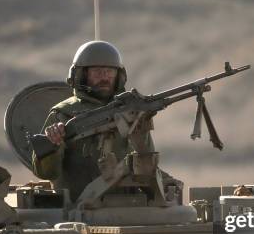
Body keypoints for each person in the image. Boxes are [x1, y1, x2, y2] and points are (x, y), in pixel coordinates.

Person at [32, 40, 179, 202]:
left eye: (109, 71)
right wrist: (53, 146)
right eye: (97, 71)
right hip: (78, 209)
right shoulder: (63, 113)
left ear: (119, 75)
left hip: (127, 207)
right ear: (81, 75)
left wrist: (141, 128)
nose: (104, 77)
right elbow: (46, 173)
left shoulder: (128, 112)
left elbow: (146, 164)